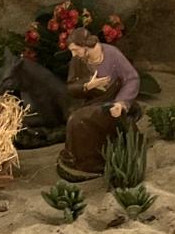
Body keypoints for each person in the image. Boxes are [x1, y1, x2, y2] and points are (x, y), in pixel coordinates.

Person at [56, 27, 141, 183]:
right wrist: (87, 86)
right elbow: (71, 87)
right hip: (91, 102)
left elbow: (132, 79)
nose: (73, 54)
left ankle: (92, 163)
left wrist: (121, 102)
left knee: (78, 120)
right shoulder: (78, 60)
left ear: (86, 45)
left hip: (112, 102)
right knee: (74, 117)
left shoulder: (112, 54)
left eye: (75, 50)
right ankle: (81, 160)